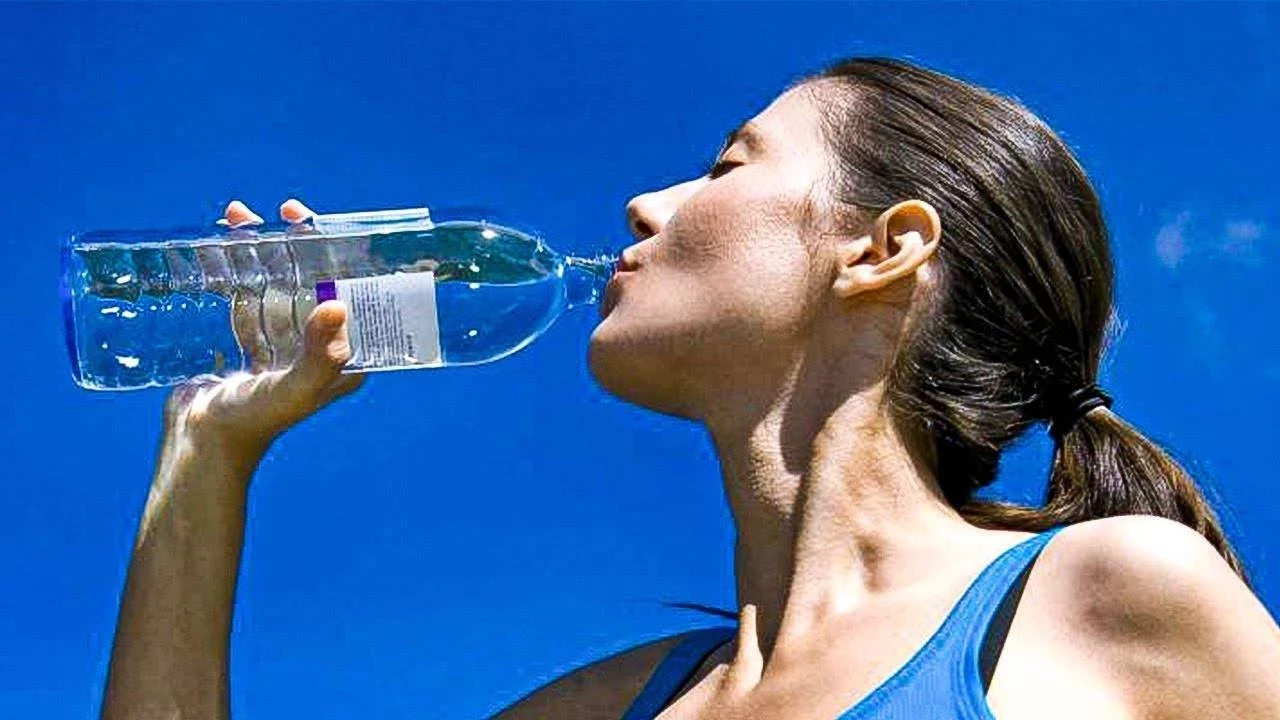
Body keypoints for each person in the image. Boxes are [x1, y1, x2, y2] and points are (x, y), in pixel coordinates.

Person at [100, 57, 1280, 720]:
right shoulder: (607, 706)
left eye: (724, 165)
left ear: (880, 250)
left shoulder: (1105, 601)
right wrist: (207, 454)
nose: (642, 206)